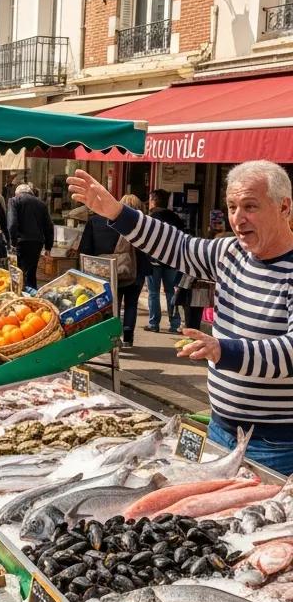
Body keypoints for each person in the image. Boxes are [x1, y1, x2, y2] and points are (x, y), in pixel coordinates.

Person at [68, 161, 293, 473]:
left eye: (250, 206)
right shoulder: (229, 253)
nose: (238, 219)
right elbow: (178, 246)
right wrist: (117, 213)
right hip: (220, 429)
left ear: (284, 207)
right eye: (231, 207)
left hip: (277, 446)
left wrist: (223, 350)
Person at [80, 196, 150, 348]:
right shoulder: (140, 225)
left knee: (112, 304)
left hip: (105, 270)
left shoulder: (96, 221)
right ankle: (128, 338)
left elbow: (85, 249)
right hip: (134, 271)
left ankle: (113, 337)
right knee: (132, 304)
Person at [145, 189, 185, 334]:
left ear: (154, 200)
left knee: (153, 292)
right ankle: (175, 324)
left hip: (153, 261)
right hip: (172, 261)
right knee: (171, 292)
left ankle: (154, 323)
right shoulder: (176, 218)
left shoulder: (151, 218)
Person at [7, 182, 54, 289]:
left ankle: (21, 294)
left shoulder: (14, 200)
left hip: (20, 242)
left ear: (17, 193)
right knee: (31, 272)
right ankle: (32, 294)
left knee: (18, 272)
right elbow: (49, 226)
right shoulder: (41, 204)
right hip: (37, 242)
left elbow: (12, 223)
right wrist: (48, 247)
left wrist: (12, 243)